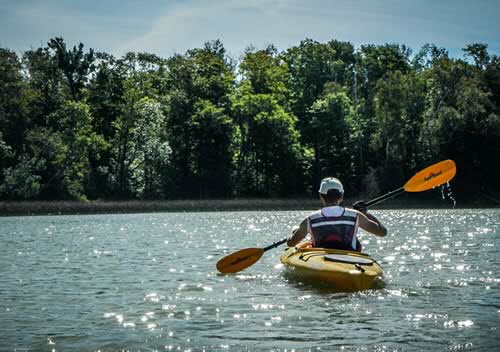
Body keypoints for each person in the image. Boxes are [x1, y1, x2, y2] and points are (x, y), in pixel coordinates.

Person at [287, 177, 386, 251]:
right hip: (351, 258)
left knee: (296, 229)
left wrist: (294, 231)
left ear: (321, 196)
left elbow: (291, 243)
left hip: (320, 258)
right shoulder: (356, 216)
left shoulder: (309, 219)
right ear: (341, 196)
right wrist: (366, 214)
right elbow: (382, 232)